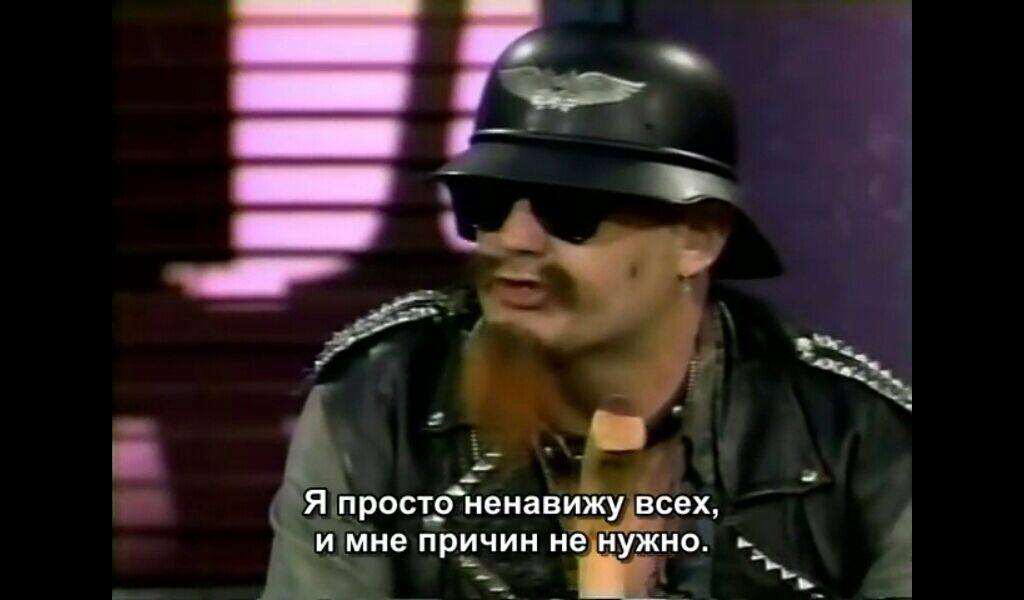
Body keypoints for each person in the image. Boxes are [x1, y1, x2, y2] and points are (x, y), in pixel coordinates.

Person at [261, 23, 911, 600]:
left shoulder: (851, 436)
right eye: (488, 203)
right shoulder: (381, 401)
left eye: (570, 209)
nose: (514, 239)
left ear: (698, 240)